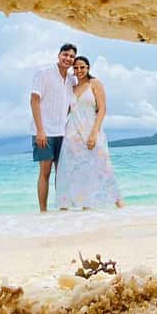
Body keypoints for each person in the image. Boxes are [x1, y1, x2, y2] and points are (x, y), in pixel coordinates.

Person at [55, 56, 124, 209]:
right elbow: (65, 112)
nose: (79, 70)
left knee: (103, 167)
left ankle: (121, 207)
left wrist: (94, 133)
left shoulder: (95, 83)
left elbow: (102, 109)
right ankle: (76, 208)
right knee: (73, 169)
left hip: (91, 130)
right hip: (72, 134)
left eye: (82, 67)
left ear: (88, 68)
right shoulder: (71, 88)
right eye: (76, 68)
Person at [30, 43, 77, 212]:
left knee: (61, 173)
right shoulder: (44, 73)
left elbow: (71, 104)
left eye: (71, 56)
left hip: (62, 132)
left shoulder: (71, 80)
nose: (68, 58)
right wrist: (40, 131)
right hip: (45, 132)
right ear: (59, 55)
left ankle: (62, 209)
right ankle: (43, 211)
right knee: (45, 172)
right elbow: (34, 100)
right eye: (65, 54)